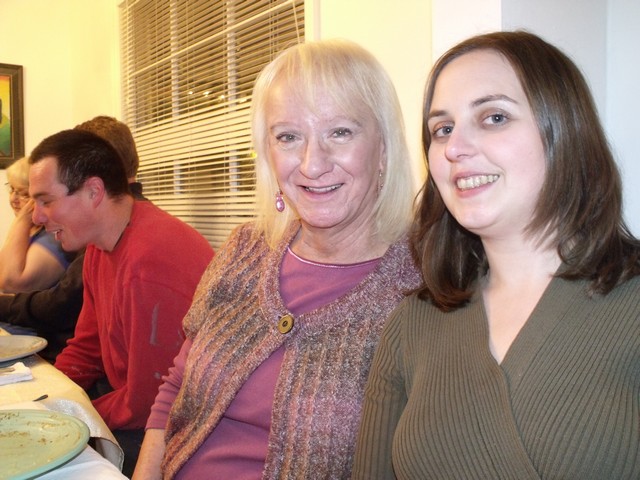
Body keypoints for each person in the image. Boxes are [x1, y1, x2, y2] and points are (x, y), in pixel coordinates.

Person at [353, 30, 640, 479]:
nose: (454, 148)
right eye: (442, 129)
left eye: (494, 117)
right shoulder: (411, 325)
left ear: (564, 131)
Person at [132, 39, 421, 480]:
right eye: (288, 137)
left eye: (340, 132)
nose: (311, 164)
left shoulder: (424, 284)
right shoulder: (245, 248)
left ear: (384, 148)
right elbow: (178, 385)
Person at [28, 129, 214, 476]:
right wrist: (47, 400)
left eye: (45, 200)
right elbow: (87, 348)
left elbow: (150, 402)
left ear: (93, 191)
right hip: (142, 408)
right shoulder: (99, 247)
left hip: (183, 427)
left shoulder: (151, 259)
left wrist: (70, 416)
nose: (36, 216)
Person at [0, 116, 146, 362]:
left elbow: (57, 305)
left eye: (46, 200)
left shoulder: (124, 235)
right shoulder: (101, 234)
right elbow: (87, 343)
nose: (37, 214)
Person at [0, 156, 72, 293]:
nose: (13, 199)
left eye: (24, 194)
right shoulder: (28, 231)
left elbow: (10, 283)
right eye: (12, 189)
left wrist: (22, 220)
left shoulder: (54, 237)